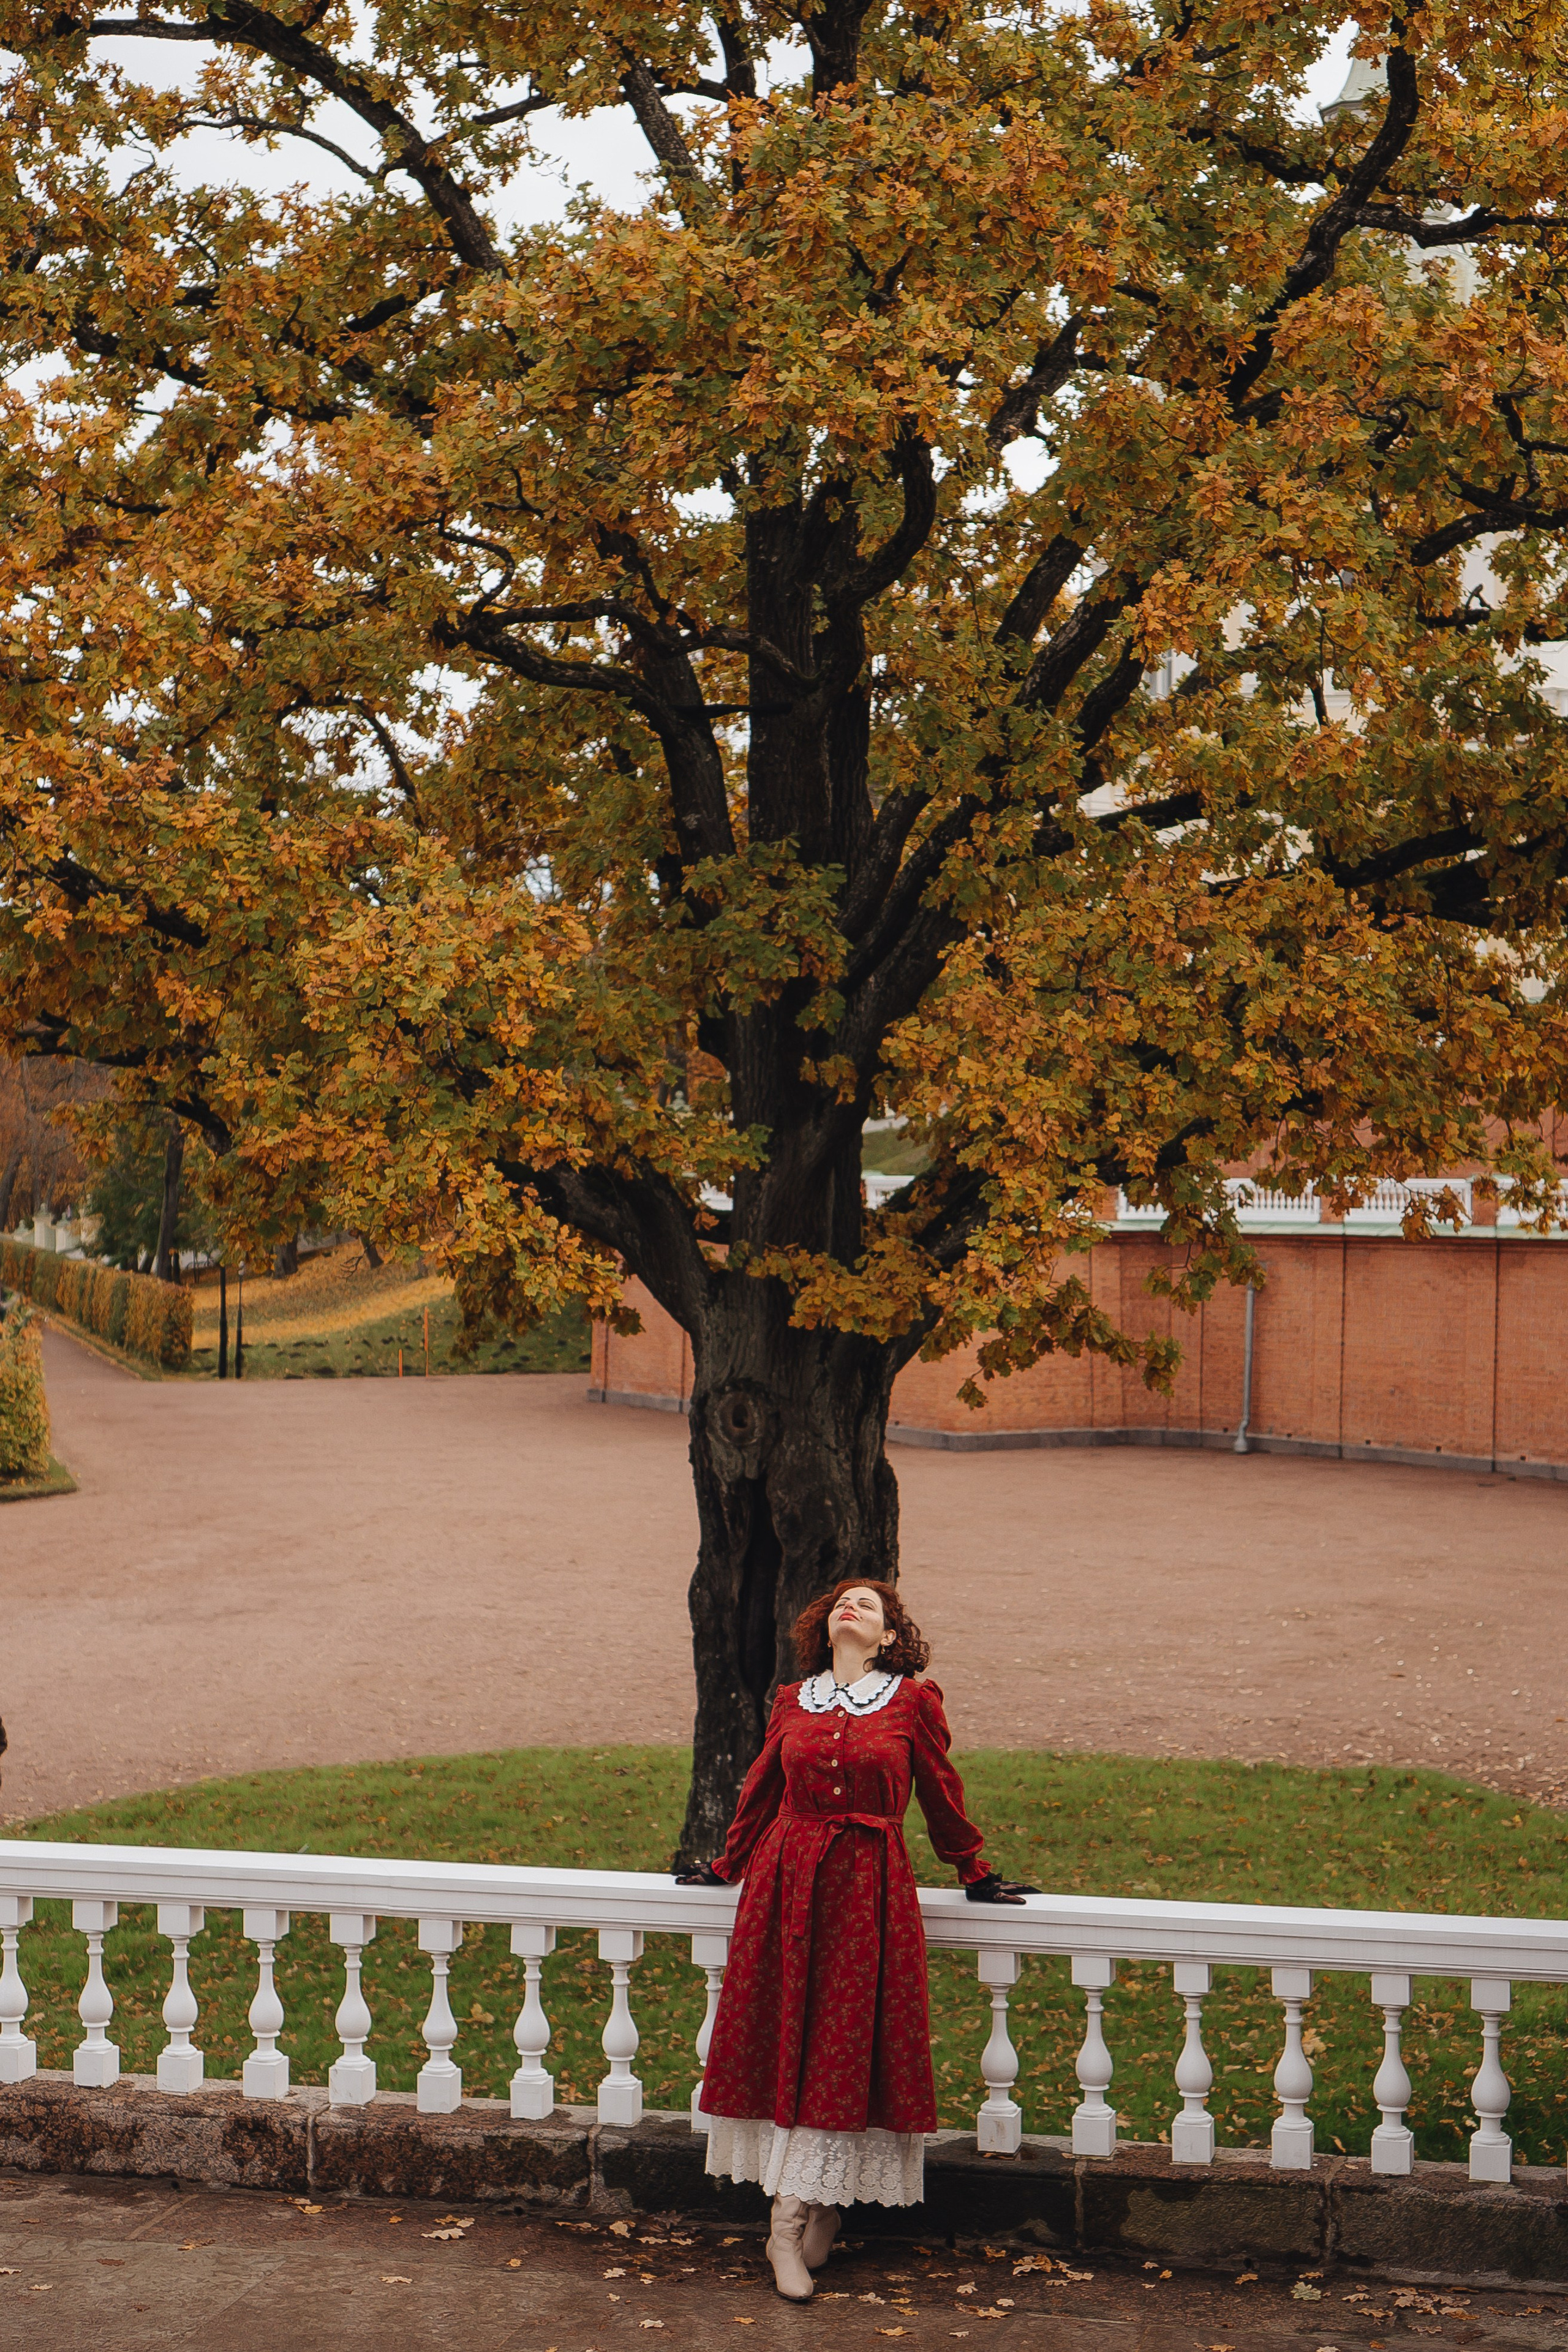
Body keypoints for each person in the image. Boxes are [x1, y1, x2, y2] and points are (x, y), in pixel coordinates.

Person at [676, 1578, 1035, 2302]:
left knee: (843, 2047)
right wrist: (727, 1864)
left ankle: (794, 2220)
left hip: (867, 1890)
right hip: (785, 1885)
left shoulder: (909, 1703)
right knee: (789, 2042)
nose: (851, 1607)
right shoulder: (791, 1700)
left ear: (890, 1637)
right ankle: (807, 2215)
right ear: (824, 1626)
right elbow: (761, 1790)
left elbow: (940, 1790)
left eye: (868, 1605)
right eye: (843, 1601)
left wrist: (974, 1869)